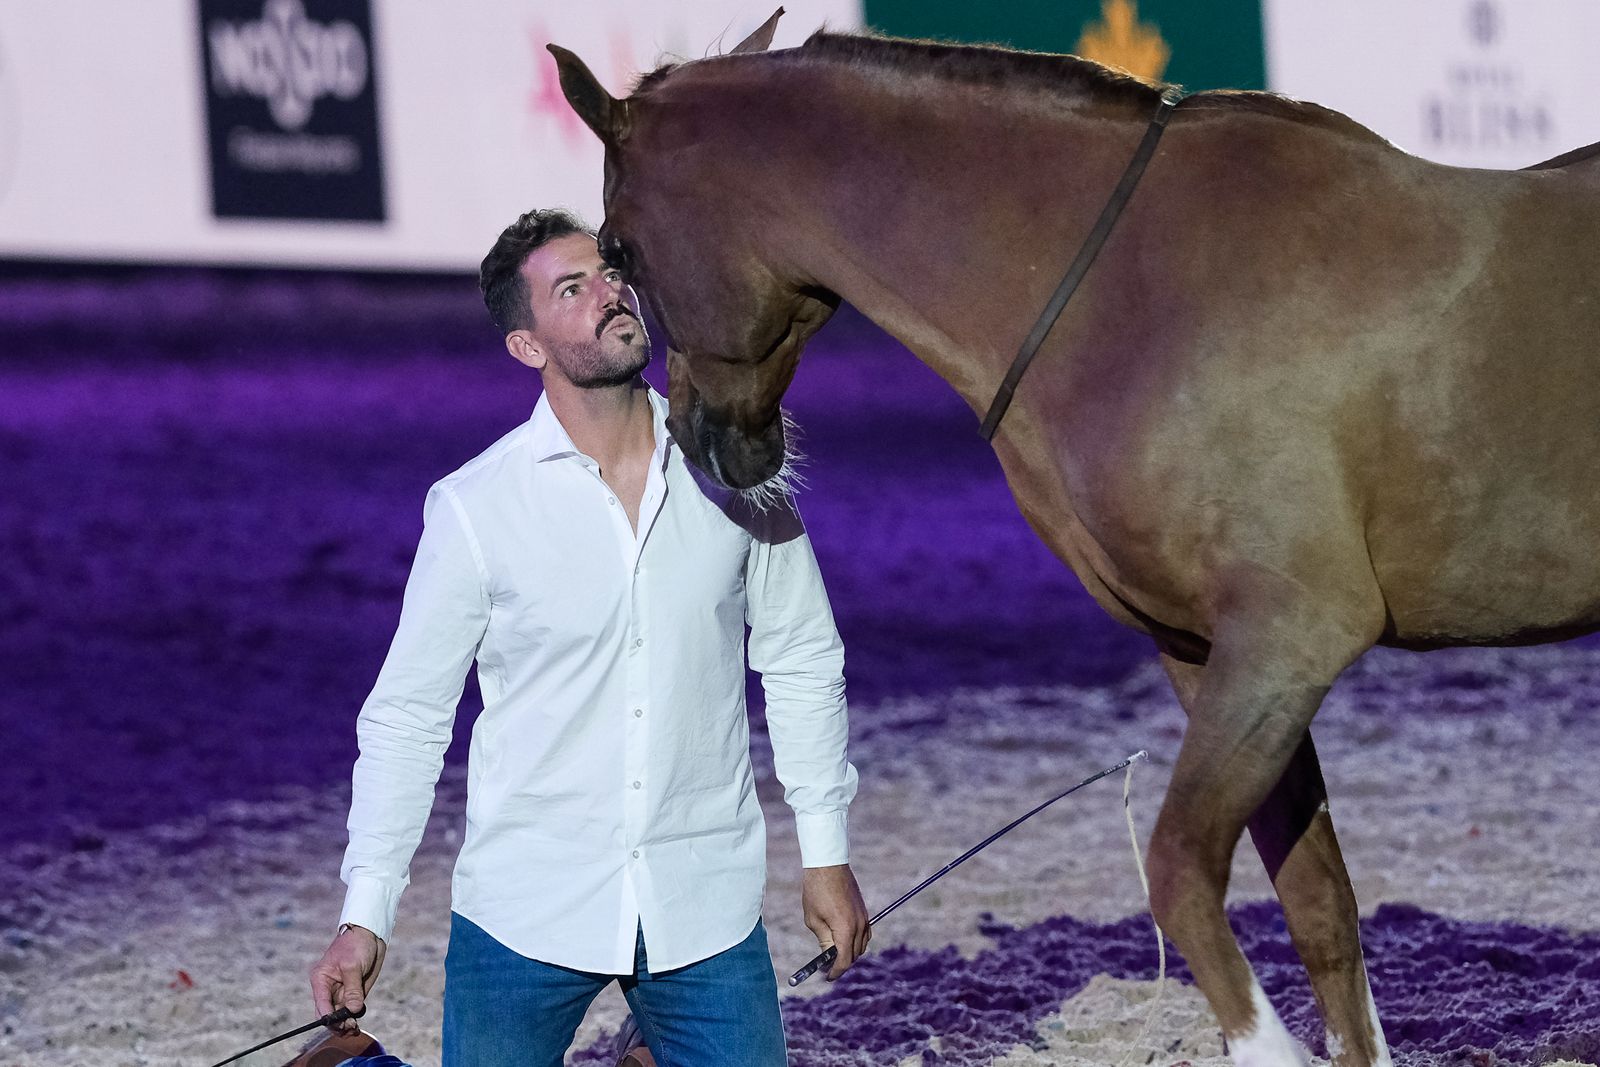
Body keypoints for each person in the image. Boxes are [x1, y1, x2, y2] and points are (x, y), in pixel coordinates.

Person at [306, 208, 869, 1067]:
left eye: (610, 273)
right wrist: (365, 912)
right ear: (528, 346)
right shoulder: (474, 507)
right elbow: (409, 715)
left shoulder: (735, 470)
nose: (611, 293)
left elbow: (800, 655)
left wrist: (825, 853)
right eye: (573, 288)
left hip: (701, 902)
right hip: (528, 906)